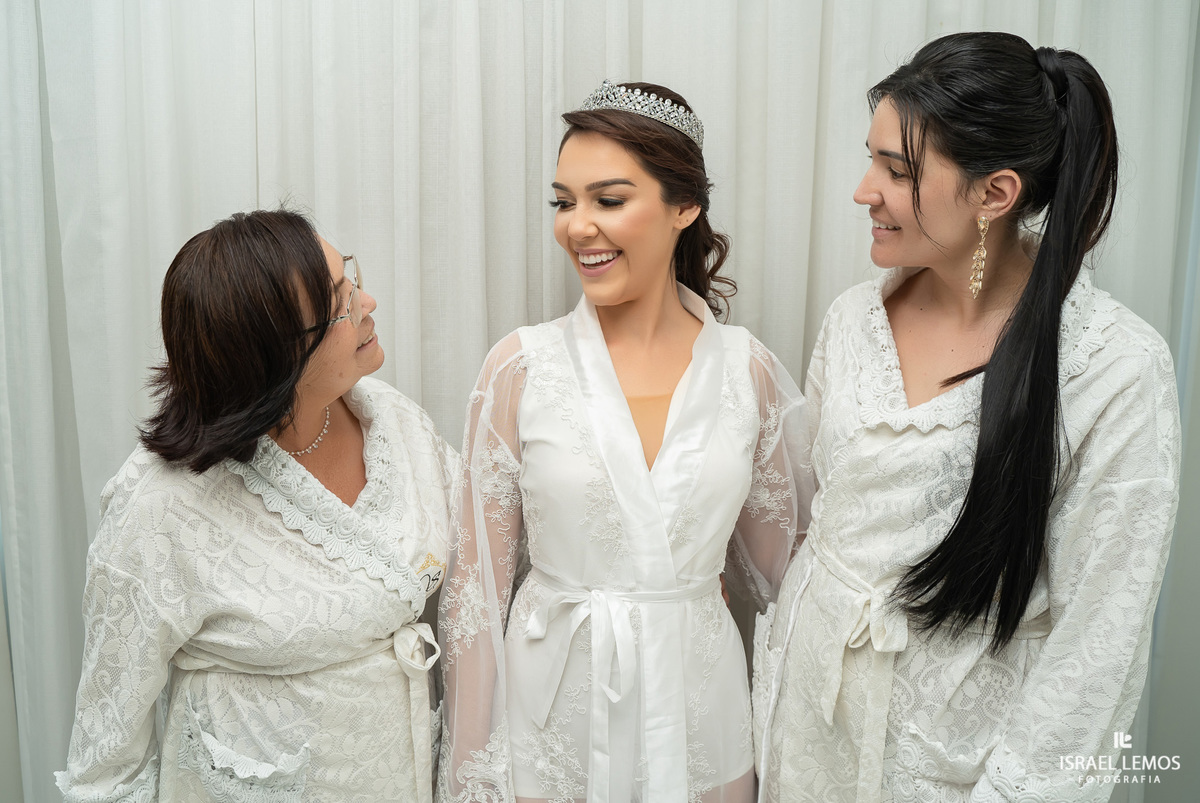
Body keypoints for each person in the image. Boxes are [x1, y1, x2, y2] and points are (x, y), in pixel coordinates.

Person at [754, 32, 1181, 802]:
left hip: (947, 771)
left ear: (995, 194)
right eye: (871, 158)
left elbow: (1098, 648)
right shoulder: (855, 318)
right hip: (805, 740)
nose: (864, 190)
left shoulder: (1114, 371)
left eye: (897, 170)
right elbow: (822, 523)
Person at [436, 81, 808, 802]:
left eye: (607, 200)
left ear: (683, 206)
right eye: (563, 202)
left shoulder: (747, 371)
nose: (578, 226)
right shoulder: (518, 368)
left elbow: (789, 582)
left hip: (703, 721)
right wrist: (472, 773)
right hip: (553, 728)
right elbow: (473, 597)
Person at [56, 209, 456, 802]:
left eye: (350, 278)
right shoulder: (161, 511)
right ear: (272, 360)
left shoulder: (394, 421)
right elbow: (105, 769)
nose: (368, 302)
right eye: (342, 304)